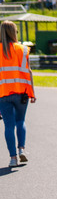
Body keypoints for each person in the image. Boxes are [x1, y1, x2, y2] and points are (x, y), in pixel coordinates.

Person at [0, 21, 35, 168]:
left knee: (9, 125)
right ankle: (22, 149)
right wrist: (32, 92)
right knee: (20, 121)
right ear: (14, 32)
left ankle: (13, 158)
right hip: (22, 92)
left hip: (3, 94)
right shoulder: (23, 50)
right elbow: (29, 72)